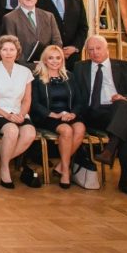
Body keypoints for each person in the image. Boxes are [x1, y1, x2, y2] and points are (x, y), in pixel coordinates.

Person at [73, 35, 127, 196]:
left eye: (98, 48)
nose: (95, 52)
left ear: (107, 49)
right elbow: (75, 94)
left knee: (123, 106)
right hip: (92, 114)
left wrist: (124, 97)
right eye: (91, 50)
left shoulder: (124, 66)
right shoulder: (80, 67)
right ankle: (125, 176)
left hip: (116, 110)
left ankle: (110, 150)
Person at [0, 35, 37, 189]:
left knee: (29, 133)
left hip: (19, 113)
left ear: (17, 52)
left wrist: (21, 115)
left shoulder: (25, 72)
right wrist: (7, 115)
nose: (8, 53)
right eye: (4, 49)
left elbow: (27, 99)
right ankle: (4, 169)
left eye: (12, 49)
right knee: (11, 131)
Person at [31, 45, 86, 189]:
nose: (55, 61)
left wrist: (73, 113)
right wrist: (53, 114)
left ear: (62, 60)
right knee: (66, 130)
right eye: (51, 58)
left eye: (58, 58)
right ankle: (65, 172)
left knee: (80, 128)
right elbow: (34, 103)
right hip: (47, 116)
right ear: (45, 60)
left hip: (68, 114)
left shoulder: (69, 76)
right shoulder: (36, 78)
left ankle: (61, 166)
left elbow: (79, 101)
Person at [36, 0, 88, 70]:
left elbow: (83, 27)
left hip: (73, 56)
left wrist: (75, 47)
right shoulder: (38, 2)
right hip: (49, 56)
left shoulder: (77, 1)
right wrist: (54, 50)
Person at [1, 0, 62, 64]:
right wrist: (27, 65)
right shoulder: (9, 18)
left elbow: (57, 41)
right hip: (22, 66)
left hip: (47, 64)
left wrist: (49, 61)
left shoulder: (49, 16)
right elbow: (11, 46)